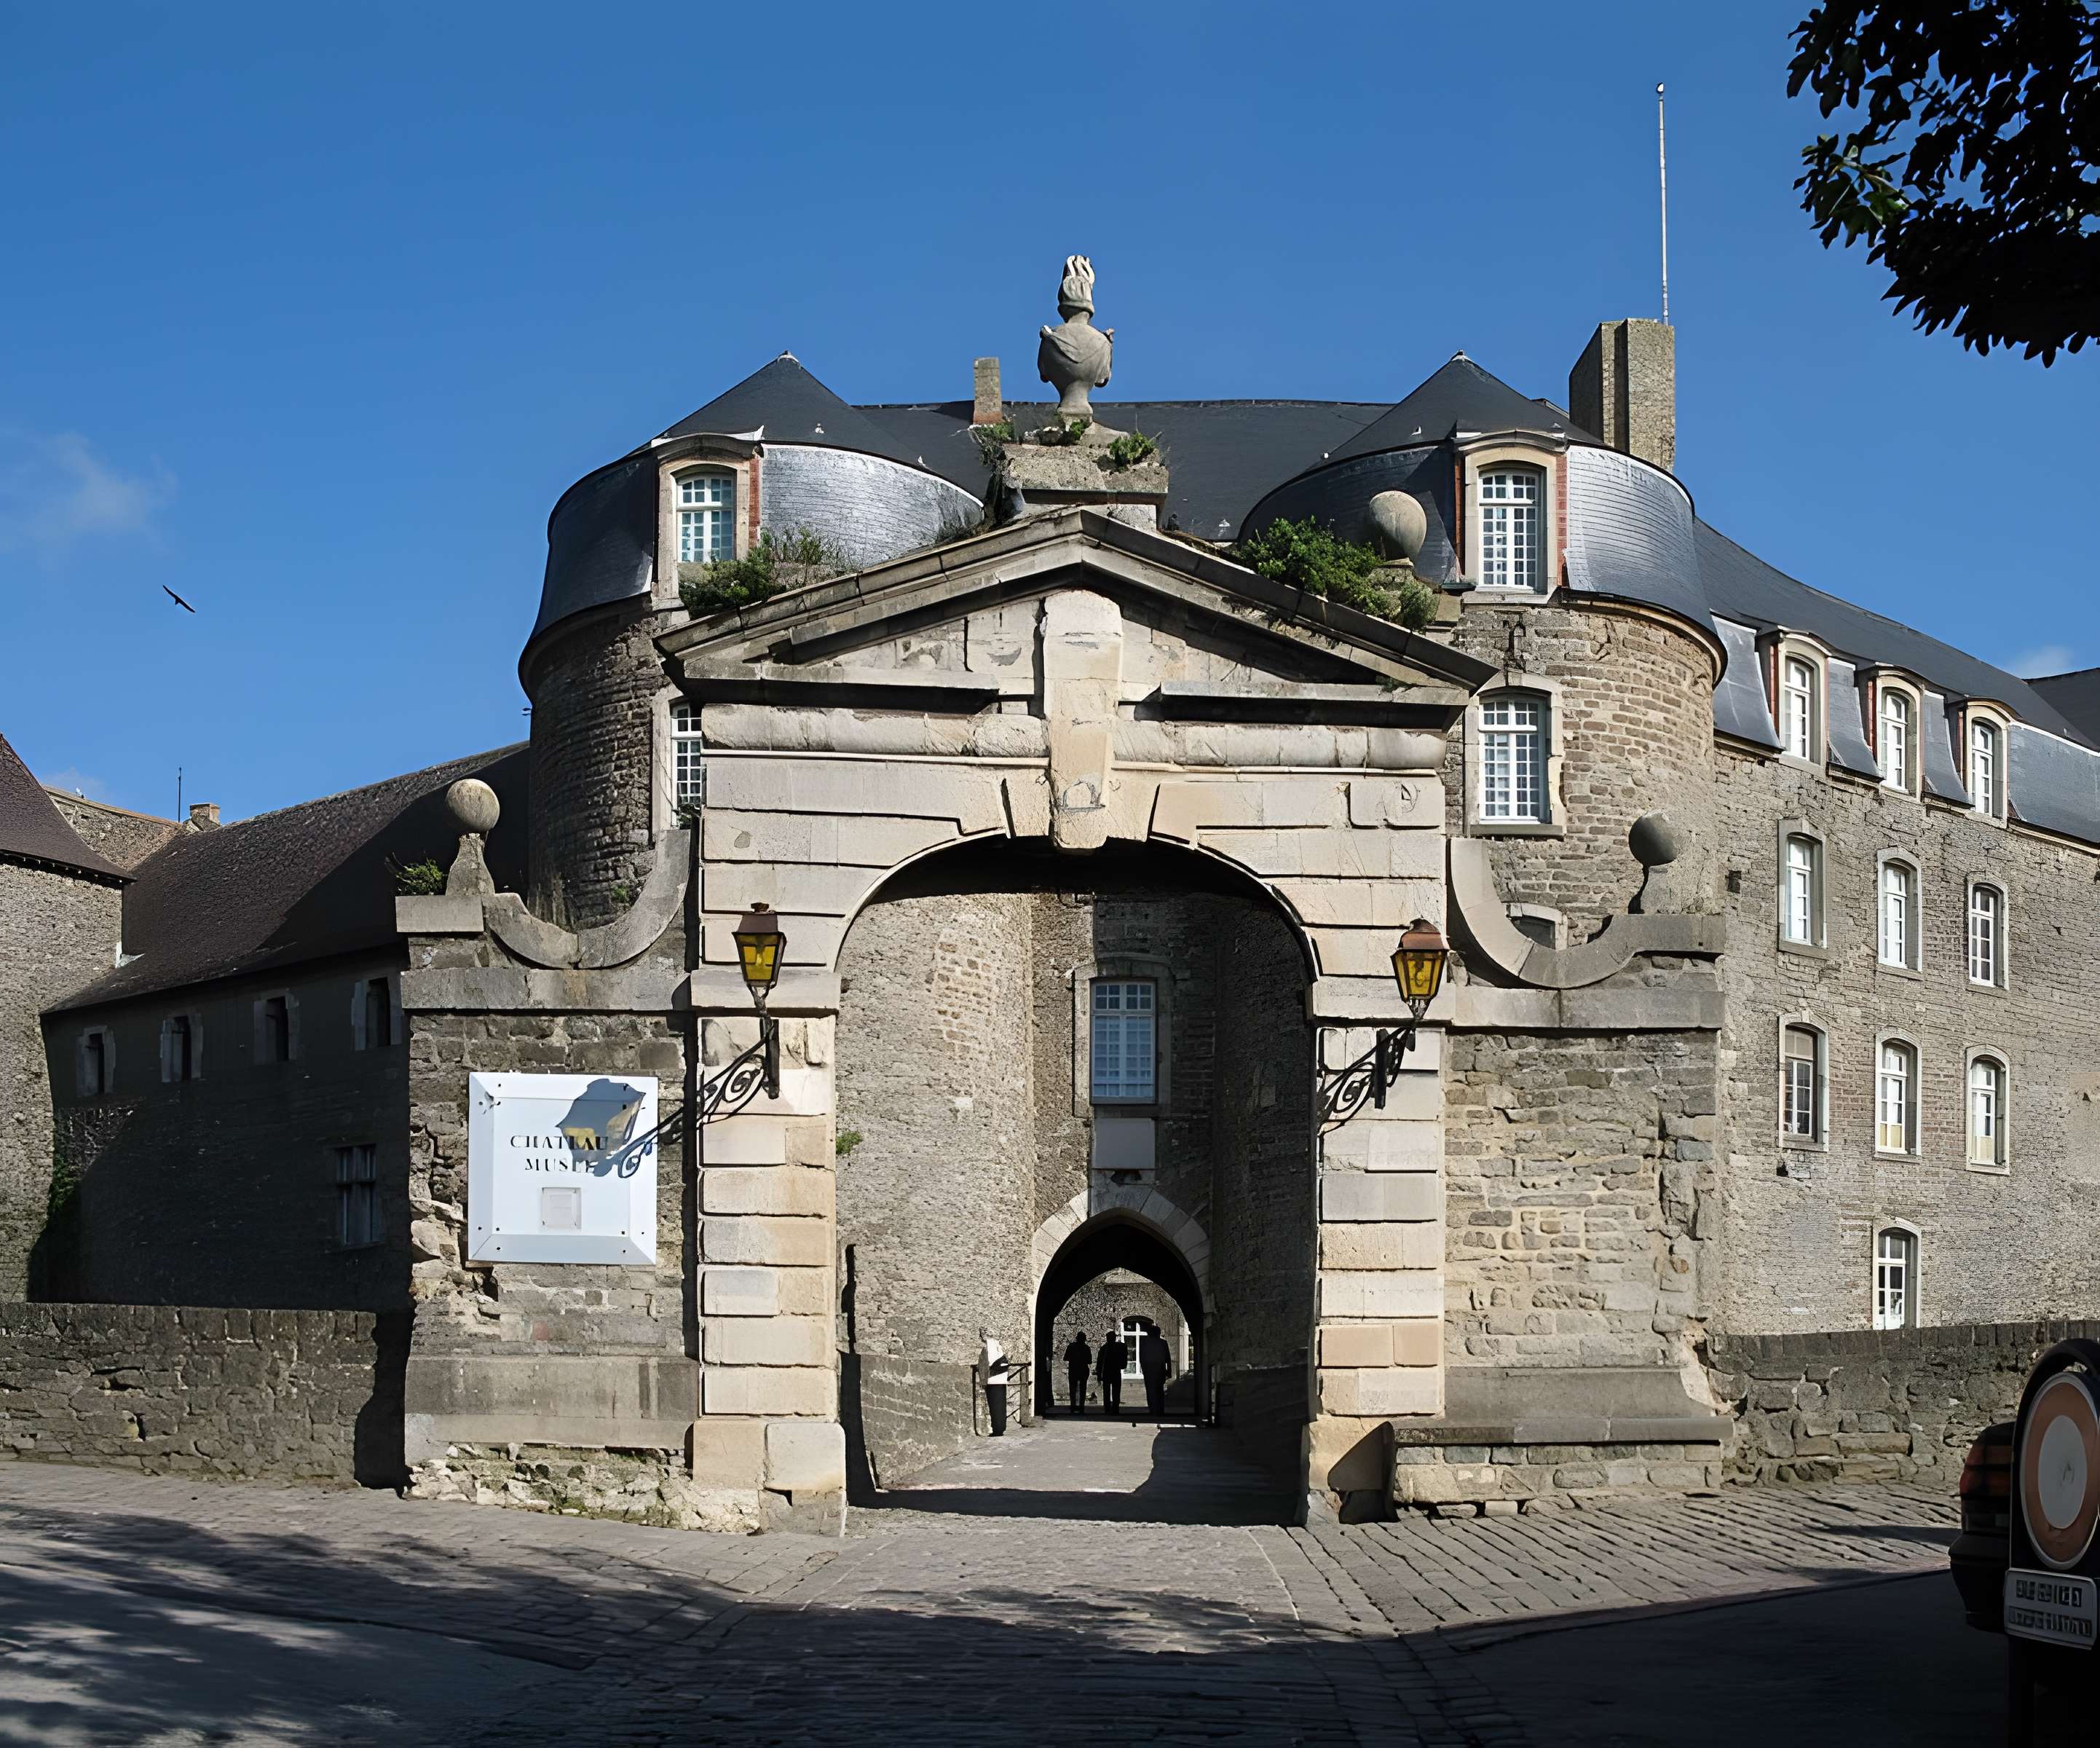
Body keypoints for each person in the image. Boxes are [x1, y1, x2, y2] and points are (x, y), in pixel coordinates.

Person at [979, 1326, 1011, 1436]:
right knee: (1000, 1405)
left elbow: (991, 1363)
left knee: (995, 1406)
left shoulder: (991, 1346)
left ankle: (997, 1429)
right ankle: (1000, 1428)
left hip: (994, 1380)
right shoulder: (997, 1345)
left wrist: (985, 1376)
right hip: (1000, 1379)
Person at [1139, 1327, 1172, 1417]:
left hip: (1149, 1370)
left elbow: (1142, 1358)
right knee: (1159, 1391)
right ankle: (1160, 1410)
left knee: (1150, 1391)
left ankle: (1152, 1409)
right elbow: (1168, 1359)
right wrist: (1169, 1372)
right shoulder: (1163, 1343)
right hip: (1159, 1370)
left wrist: (1143, 1369)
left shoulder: (1144, 1343)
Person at [1096, 1327, 1126, 1415]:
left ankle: (1108, 1408)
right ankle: (1114, 1408)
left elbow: (1100, 1362)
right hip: (1113, 1371)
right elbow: (1100, 1362)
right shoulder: (1118, 1347)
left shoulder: (1104, 1348)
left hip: (1108, 1372)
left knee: (1108, 1391)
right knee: (1115, 1391)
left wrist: (1099, 1373)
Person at [1063, 1329, 1092, 1415]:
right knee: (1083, 1389)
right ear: (1084, 1339)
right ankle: (1082, 1407)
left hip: (1074, 1369)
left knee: (1073, 1389)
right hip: (1083, 1369)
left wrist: (1074, 1359)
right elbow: (1089, 1361)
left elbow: (1066, 1358)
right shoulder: (1087, 1348)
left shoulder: (1071, 1346)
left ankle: (1073, 1406)